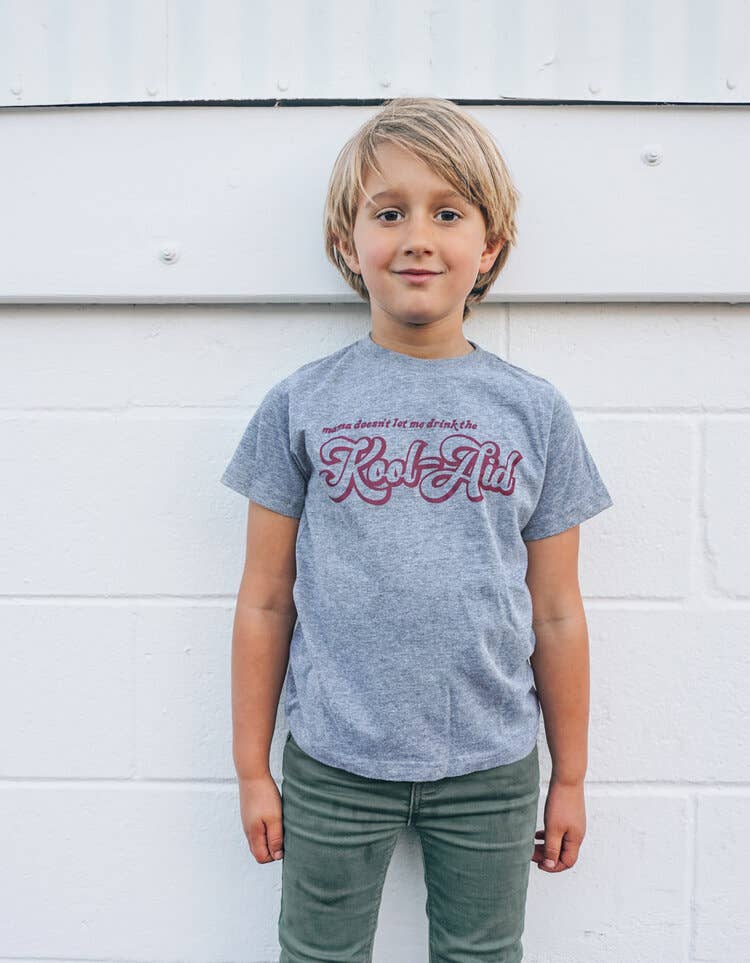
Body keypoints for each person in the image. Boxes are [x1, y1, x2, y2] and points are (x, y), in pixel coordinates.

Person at [220, 96, 614, 963]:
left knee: (482, 953)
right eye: (389, 212)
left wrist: (571, 775)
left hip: (490, 767)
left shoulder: (534, 411)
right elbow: (265, 599)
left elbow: (556, 610)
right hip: (333, 761)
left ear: (490, 246)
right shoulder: (302, 404)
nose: (418, 238)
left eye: (448, 213)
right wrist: (252, 767)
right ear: (346, 243)